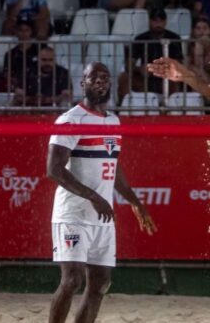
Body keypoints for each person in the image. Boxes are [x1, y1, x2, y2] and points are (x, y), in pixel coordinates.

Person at [47, 61, 156, 323]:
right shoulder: (71, 119)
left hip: (102, 217)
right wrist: (94, 197)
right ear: (82, 82)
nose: (100, 81)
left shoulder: (113, 120)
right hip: (73, 213)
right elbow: (53, 169)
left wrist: (135, 202)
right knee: (72, 280)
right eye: (93, 76)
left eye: (105, 77)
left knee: (100, 284)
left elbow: (114, 169)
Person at [118, 9, 184, 101]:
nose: (158, 24)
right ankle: (123, 108)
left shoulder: (174, 38)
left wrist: (164, 69)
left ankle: (171, 109)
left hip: (166, 77)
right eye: (155, 20)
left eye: (161, 20)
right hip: (145, 78)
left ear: (165, 22)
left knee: (176, 79)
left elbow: (180, 63)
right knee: (124, 77)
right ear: (149, 21)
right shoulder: (140, 39)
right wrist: (140, 69)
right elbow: (129, 64)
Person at [187, 16, 210, 85]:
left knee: (197, 71)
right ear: (194, 31)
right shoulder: (191, 45)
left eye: (205, 28)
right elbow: (196, 65)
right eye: (198, 28)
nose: (201, 31)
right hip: (196, 76)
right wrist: (198, 45)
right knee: (193, 69)